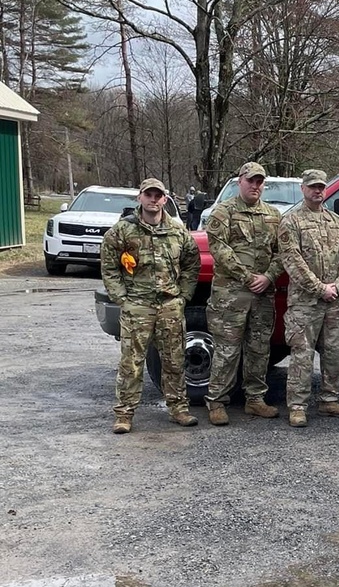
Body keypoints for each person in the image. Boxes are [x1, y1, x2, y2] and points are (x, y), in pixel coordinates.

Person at [100, 176, 201, 433]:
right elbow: (109, 266)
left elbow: (192, 264)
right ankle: (124, 414)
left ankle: (178, 408)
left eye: (158, 196)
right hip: (138, 306)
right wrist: (122, 298)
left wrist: (184, 296)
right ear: (140, 198)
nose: (153, 200)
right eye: (149, 195)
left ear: (164, 199)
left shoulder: (178, 232)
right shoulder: (123, 231)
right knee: (131, 363)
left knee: (174, 360)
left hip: (170, 306)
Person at [204, 161, 283, 425]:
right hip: (231, 296)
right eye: (251, 180)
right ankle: (216, 401)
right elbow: (220, 249)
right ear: (240, 181)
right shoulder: (222, 213)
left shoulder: (273, 216)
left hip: (262, 295)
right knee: (227, 350)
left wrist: (269, 276)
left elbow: (282, 252)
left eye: (260, 181)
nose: (255, 186)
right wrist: (248, 277)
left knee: (259, 349)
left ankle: (255, 399)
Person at [277, 168, 339, 427]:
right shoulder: (291, 222)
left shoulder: (337, 222)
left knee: (334, 353)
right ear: (303, 188)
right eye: (312, 186)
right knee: (302, 354)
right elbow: (293, 261)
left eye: (321, 186)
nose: (317, 190)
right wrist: (320, 288)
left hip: (334, 301)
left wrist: (338, 284)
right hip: (305, 303)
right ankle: (298, 406)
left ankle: (329, 400)